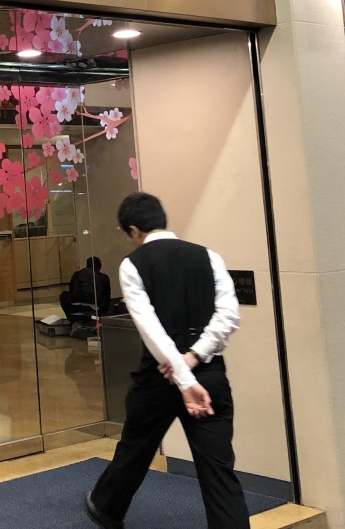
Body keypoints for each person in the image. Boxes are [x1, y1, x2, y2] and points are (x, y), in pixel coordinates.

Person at [86, 193, 246, 529]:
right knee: (218, 469)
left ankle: (106, 508)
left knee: (135, 449)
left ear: (133, 230)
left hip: (158, 376)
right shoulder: (208, 256)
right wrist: (195, 357)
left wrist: (182, 376)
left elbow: (152, 330)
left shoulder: (133, 264)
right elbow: (229, 315)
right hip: (208, 375)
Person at [60, 256, 112, 329]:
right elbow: (107, 297)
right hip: (94, 309)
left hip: (75, 307)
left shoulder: (77, 274)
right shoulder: (103, 277)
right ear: (99, 267)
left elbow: (71, 290)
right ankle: (94, 321)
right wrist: (104, 313)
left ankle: (73, 321)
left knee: (63, 295)